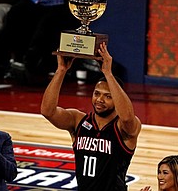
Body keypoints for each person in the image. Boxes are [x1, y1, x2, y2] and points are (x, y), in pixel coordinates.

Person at [41, 42, 142, 191]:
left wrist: (108, 73)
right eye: (96, 93)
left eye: (108, 96)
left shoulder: (123, 127)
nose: (100, 99)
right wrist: (61, 70)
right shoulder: (78, 120)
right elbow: (47, 111)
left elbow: (127, 117)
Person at [0, 0, 93, 84]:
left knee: (47, 24)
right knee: (16, 13)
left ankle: (33, 67)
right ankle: (0, 64)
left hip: (62, 1)